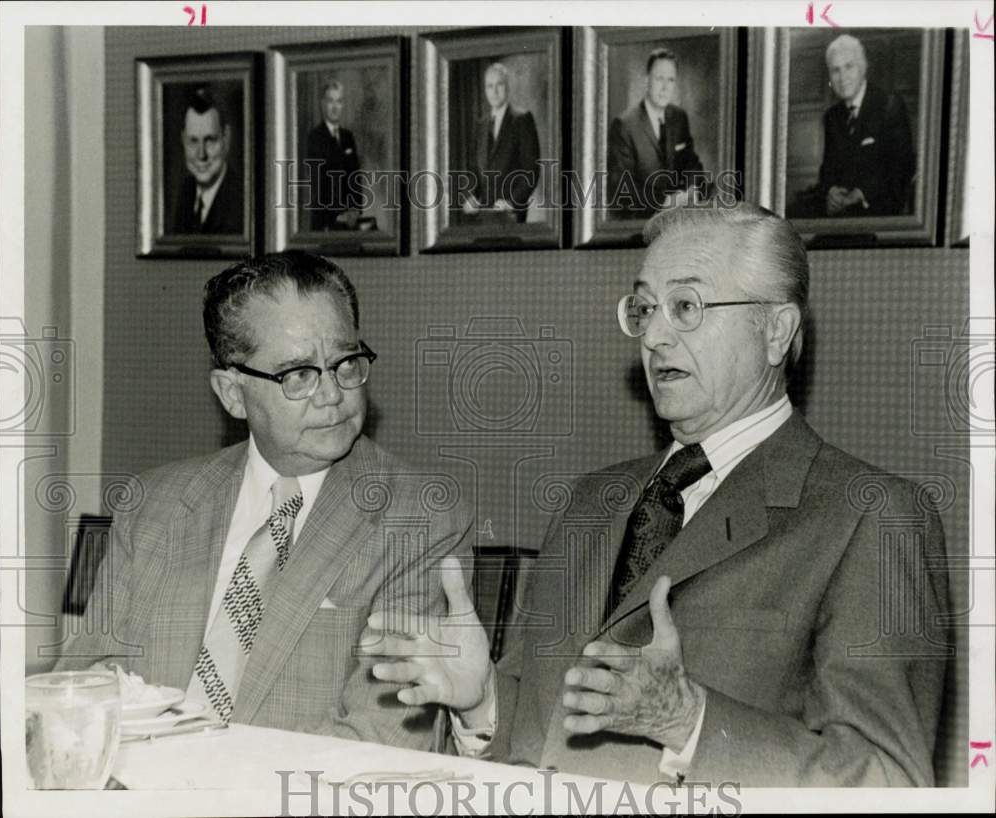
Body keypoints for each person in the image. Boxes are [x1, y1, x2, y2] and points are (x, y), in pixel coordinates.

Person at [363, 203, 950, 786]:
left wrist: (691, 722)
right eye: (644, 308)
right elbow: (542, 739)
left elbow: (888, 783)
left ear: (776, 332)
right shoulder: (591, 502)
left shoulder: (872, 517)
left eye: (687, 306)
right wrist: (480, 703)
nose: (655, 334)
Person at [55, 251, 473, 749]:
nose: (332, 394)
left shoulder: (419, 518)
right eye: (298, 374)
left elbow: (380, 739)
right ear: (232, 394)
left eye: (345, 362)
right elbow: (84, 687)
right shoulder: (154, 505)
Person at [811, 34, 916, 217]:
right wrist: (830, 191)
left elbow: (902, 166)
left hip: (879, 214)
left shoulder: (889, 105)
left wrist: (861, 194)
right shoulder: (832, 117)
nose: (842, 77)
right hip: (840, 216)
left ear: (863, 67)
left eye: (848, 67)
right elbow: (827, 170)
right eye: (835, 70)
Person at [607, 48, 704, 219]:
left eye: (671, 80)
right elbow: (621, 186)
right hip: (639, 224)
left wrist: (691, 192)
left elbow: (692, 164)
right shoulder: (624, 125)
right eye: (659, 79)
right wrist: (665, 202)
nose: (665, 87)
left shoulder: (679, 117)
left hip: (676, 223)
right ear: (646, 81)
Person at [461, 62, 540, 224]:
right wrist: (472, 196)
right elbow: (473, 168)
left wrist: (511, 202)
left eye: (499, 85)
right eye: (489, 86)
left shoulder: (522, 119)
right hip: (483, 215)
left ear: (508, 87)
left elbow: (531, 171)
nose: (494, 91)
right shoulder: (481, 124)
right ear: (484, 90)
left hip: (511, 214)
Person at [169, 86, 244, 234]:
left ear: (226, 139)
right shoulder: (186, 192)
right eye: (193, 141)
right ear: (183, 141)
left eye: (210, 140)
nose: (201, 154)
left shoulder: (240, 199)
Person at [305, 80, 363, 231]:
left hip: (350, 221)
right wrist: (335, 215)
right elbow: (316, 184)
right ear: (322, 104)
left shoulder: (347, 136)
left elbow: (355, 176)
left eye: (339, 101)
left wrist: (355, 210)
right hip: (325, 222)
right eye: (330, 101)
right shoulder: (314, 137)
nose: (335, 106)